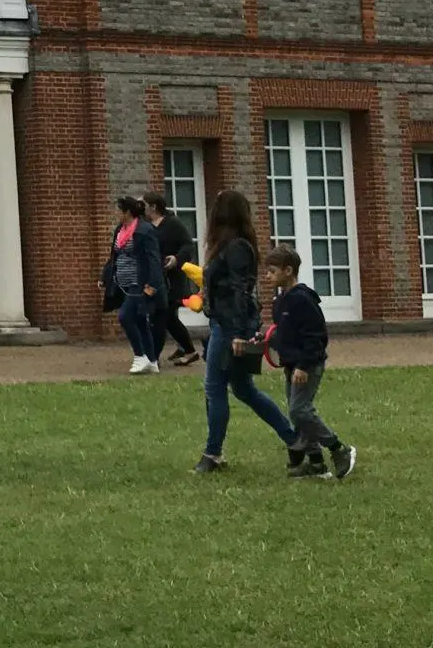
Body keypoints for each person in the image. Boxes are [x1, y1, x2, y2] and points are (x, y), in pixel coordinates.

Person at [192, 190, 298, 474]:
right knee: (243, 389)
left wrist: (238, 332)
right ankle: (294, 439)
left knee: (216, 389)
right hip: (225, 322)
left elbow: (241, 291)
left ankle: (213, 454)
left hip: (230, 327)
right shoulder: (230, 245)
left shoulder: (236, 247)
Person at [266, 246, 358, 480]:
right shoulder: (280, 302)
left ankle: (339, 448)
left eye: (273, 271)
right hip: (290, 365)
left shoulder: (303, 300)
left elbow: (316, 337)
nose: (268, 276)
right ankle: (316, 463)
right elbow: (283, 332)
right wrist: (264, 339)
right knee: (297, 413)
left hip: (308, 366)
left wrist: (303, 366)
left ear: (289, 271)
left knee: (300, 410)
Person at [107, 195, 165, 374]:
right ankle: (152, 360)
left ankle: (140, 356)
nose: (116, 213)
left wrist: (152, 285)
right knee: (140, 321)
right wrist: (106, 276)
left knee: (125, 316)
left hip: (139, 284)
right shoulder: (120, 230)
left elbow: (154, 259)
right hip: (123, 283)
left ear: (128, 212)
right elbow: (115, 255)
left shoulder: (144, 230)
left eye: (119, 210)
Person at [143, 194, 202, 367]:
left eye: (144, 205)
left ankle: (152, 357)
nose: (142, 208)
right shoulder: (147, 226)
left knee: (161, 317)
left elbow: (188, 246)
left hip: (172, 281)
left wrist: (176, 259)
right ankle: (188, 350)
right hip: (155, 279)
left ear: (153, 207)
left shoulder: (172, 224)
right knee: (169, 319)